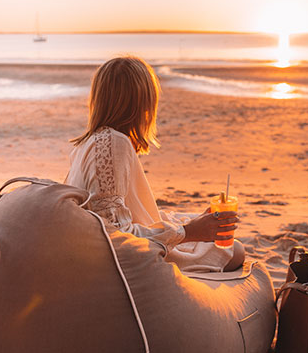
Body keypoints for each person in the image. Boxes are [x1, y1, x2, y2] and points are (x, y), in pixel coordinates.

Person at [65, 56, 245, 272]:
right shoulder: (114, 142)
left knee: (213, 240)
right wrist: (189, 232)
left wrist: (196, 225)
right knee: (235, 251)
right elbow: (115, 235)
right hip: (128, 262)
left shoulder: (86, 144)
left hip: (92, 250)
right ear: (144, 103)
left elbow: (117, 215)